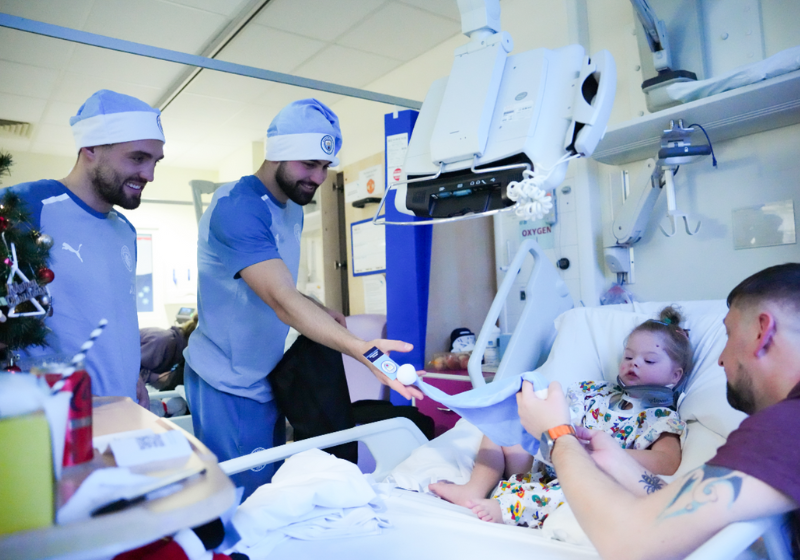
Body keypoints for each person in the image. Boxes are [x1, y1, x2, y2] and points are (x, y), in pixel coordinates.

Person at [183, 98, 422, 498]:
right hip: (227, 381)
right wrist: (361, 349)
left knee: (271, 492)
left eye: (325, 166)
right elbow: (280, 300)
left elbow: (281, 286)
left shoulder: (290, 207)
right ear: (278, 153)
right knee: (245, 502)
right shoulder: (237, 209)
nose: (319, 177)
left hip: (264, 375)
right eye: (309, 164)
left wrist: (320, 309)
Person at [518, 263, 800, 558]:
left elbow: (630, 543)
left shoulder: (786, 426)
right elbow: (689, 514)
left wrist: (557, 435)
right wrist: (618, 462)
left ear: (761, 332)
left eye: (728, 335)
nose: (720, 359)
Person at [431, 307, 690, 528]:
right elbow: (553, 417)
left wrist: (600, 454)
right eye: (629, 356)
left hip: (589, 478)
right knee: (504, 427)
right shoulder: (595, 392)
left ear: (675, 375)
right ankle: (475, 487)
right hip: (546, 461)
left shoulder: (660, 417)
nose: (634, 363)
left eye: (650, 361)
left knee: (576, 496)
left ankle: (508, 509)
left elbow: (667, 463)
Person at [8, 90, 164, 401]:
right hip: (51, 411)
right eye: (137, 158)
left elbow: (113, 316)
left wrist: (131, 374)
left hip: (124, 405)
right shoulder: (25, 207)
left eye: (155, 161)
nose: (149, 174)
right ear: (90, 147)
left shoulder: (126, 231)